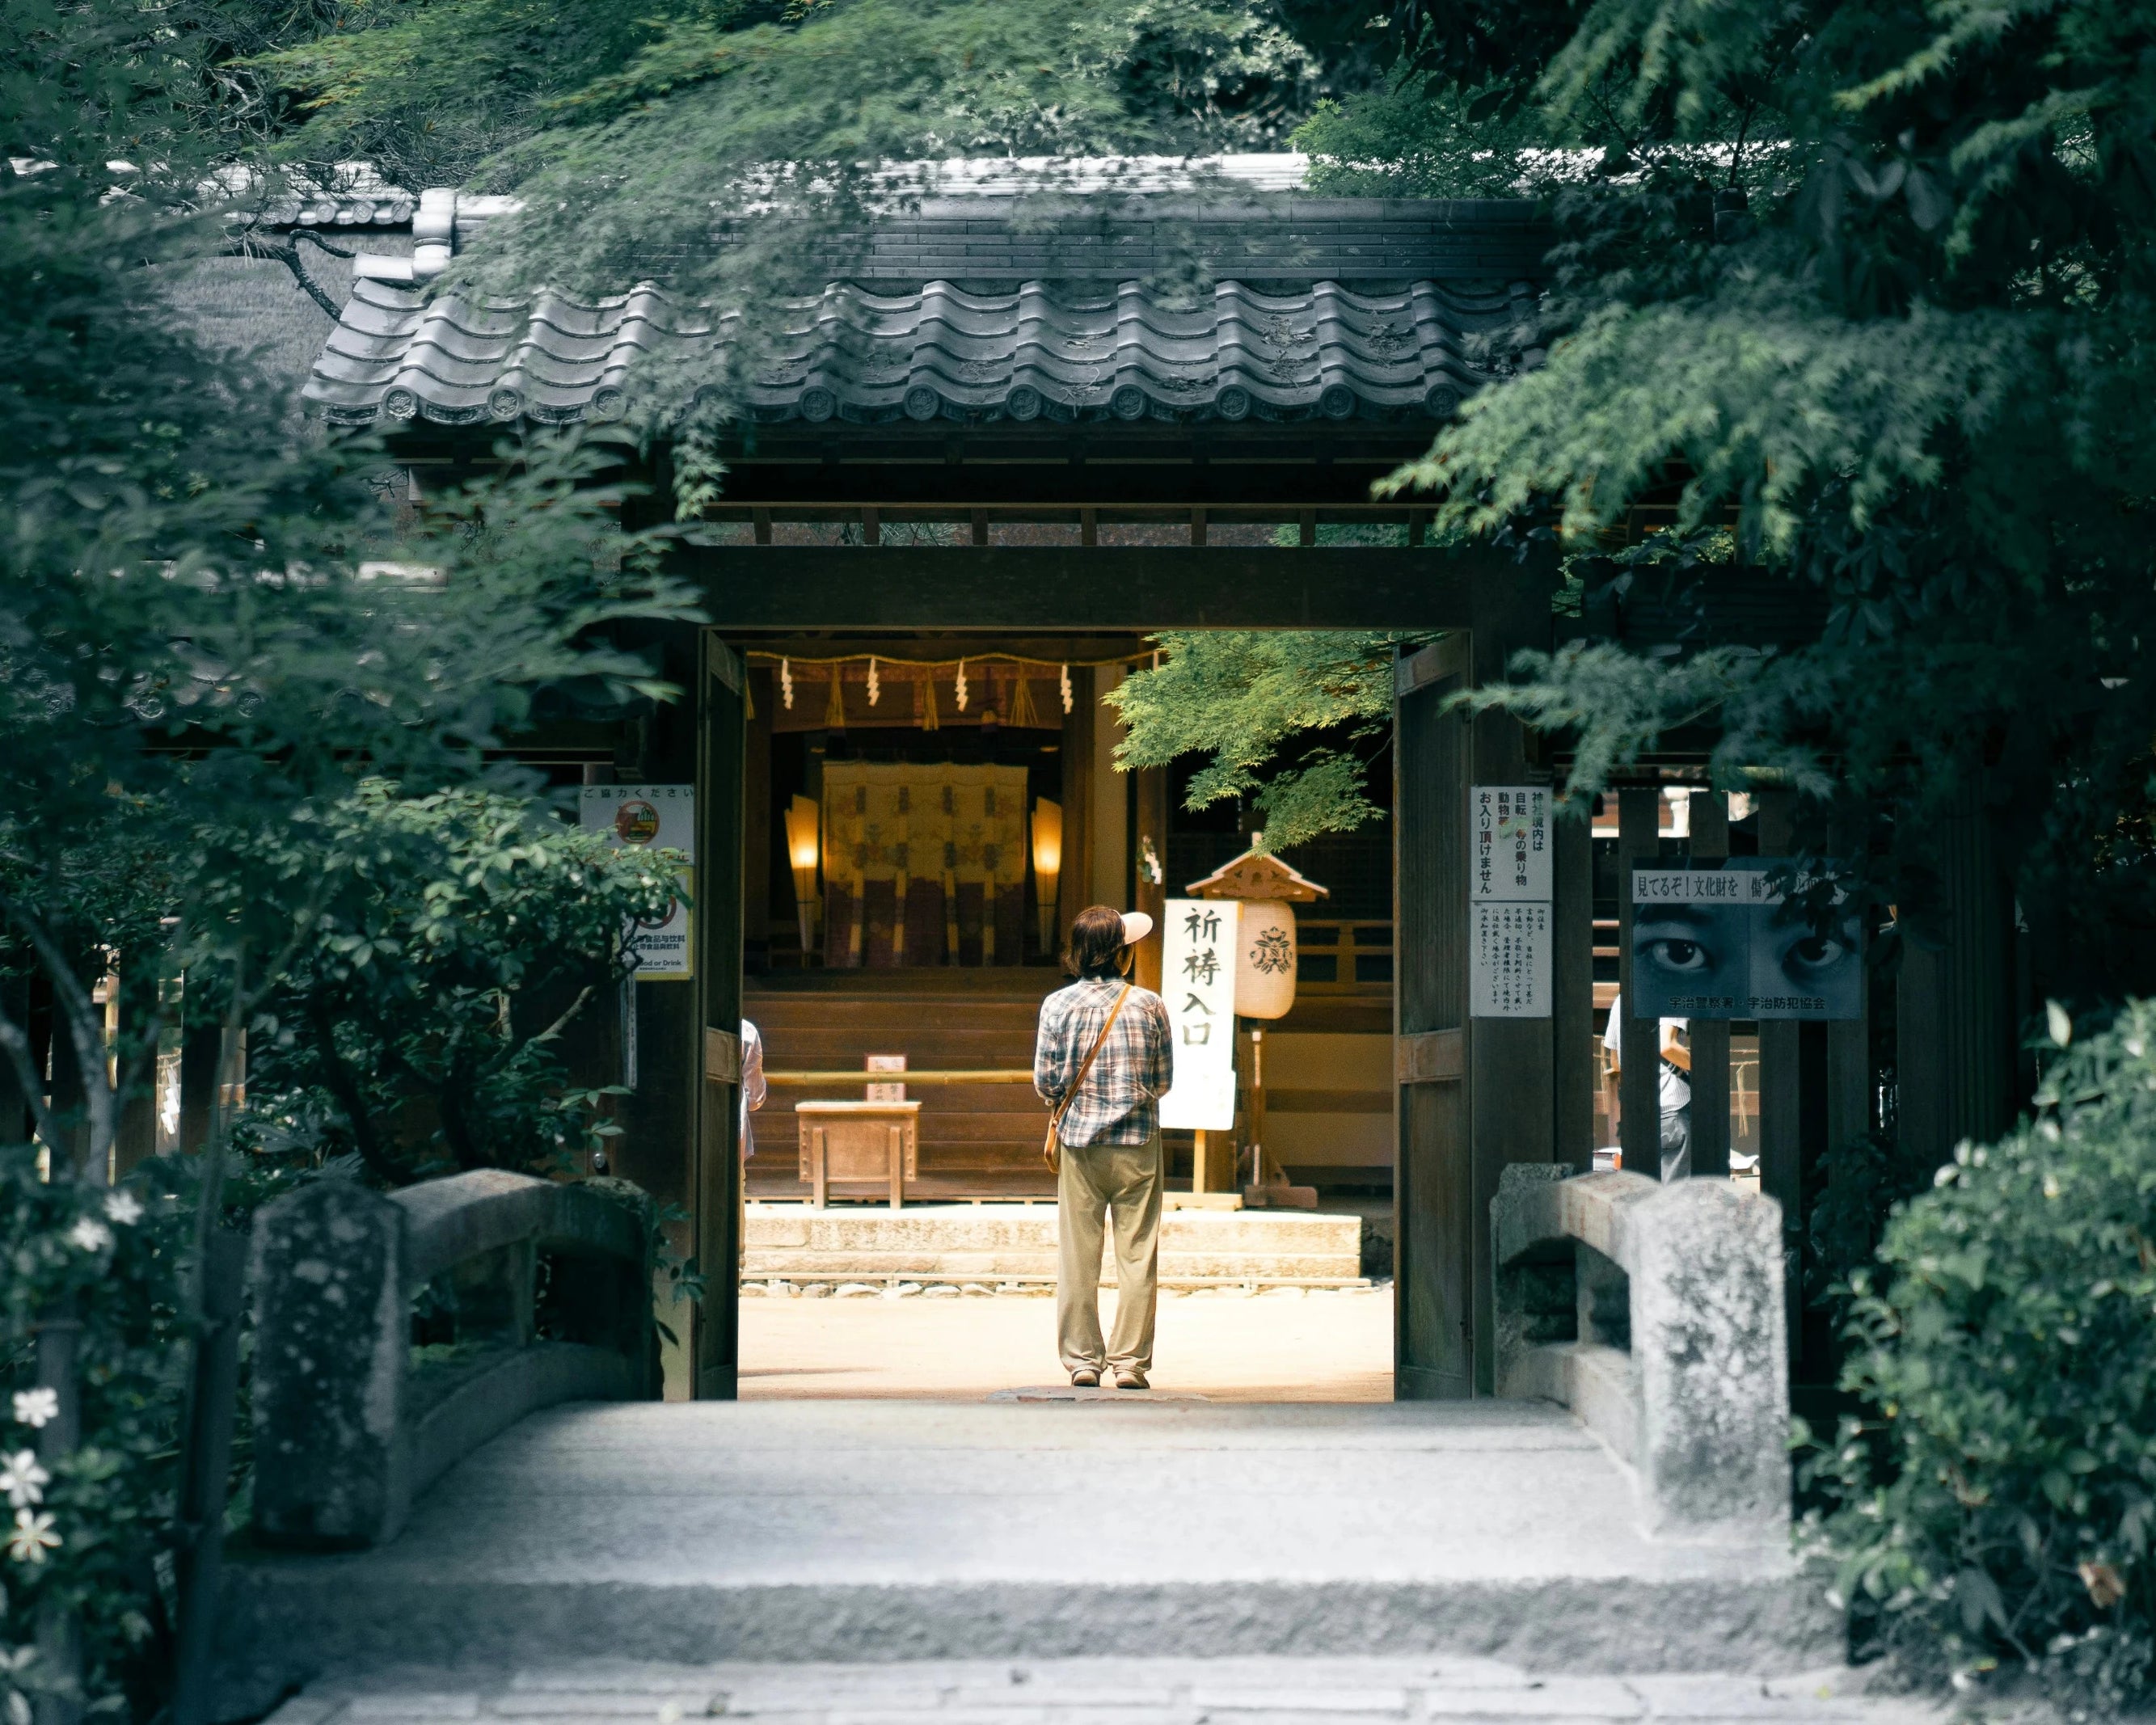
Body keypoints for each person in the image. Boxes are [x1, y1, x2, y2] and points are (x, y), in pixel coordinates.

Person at [1033, 905, 1171, 1390]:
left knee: (1078, 1255)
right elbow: (1163, 1081)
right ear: (1122, 956)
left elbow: (1046, 1083)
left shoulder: (1056, 1006)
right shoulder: (1149, 1005)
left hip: (1080, 1145)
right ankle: (1130, 1363)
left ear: (1077, 954)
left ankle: (1082, 1361)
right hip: (1137, 1145)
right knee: (1138, 1256)